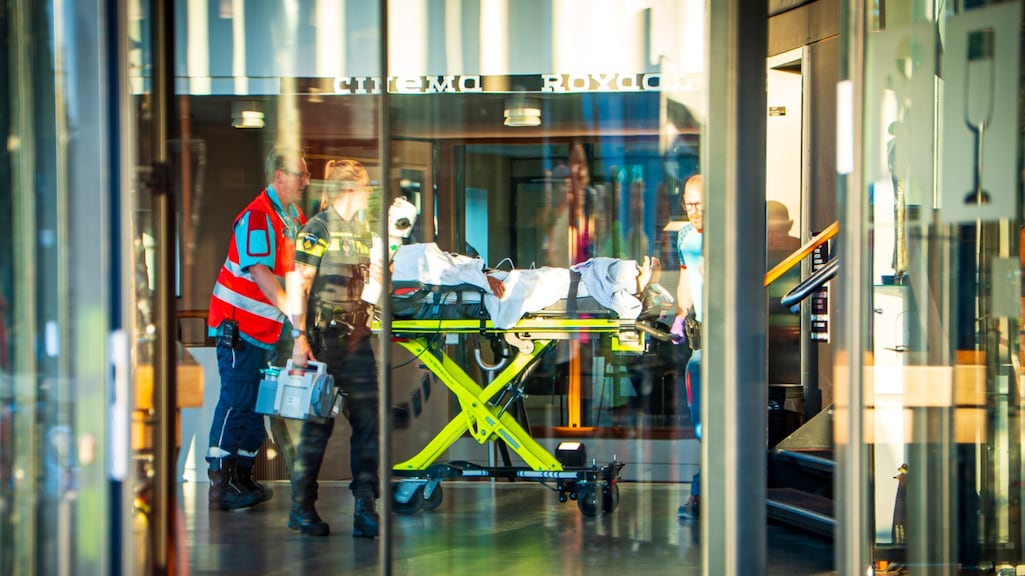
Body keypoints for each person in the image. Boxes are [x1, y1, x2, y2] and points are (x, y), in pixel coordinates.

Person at [205, 145, 309, 510]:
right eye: (300, 174)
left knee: (255, 406)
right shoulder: (258, 216)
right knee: (236, 400)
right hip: (239, 327)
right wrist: (297, 319)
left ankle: (243, 475)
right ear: (278, 176)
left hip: (265, 331)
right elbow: (262, 275)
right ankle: (220, 480)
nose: (305, 182)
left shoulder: (290, 216)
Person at [287, 158, 383, 538]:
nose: (368, 198)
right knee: (317, 428)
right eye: (364, 190)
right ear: (350, 190)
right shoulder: (318, 228)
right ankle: (301, 507)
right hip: (323, 342)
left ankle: (365, 506)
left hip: (357, 338)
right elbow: (301, 285)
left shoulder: (364, 231)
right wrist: (299, 336)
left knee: (367, 423)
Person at [674, 174, 703, 520]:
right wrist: (681, 314)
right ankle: (700, 489)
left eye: (701, 205)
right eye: (689, 205)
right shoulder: (684, 235)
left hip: (730, 334)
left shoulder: (729, 232)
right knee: (700, 425)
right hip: (701, 337)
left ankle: (703, 490)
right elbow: (685, 277)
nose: (695, 212)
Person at [766, 201, 802, 386]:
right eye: (767, 229)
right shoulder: (751, 255)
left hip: (796, 338)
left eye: (778, 229)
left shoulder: (801, 251)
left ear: (789, 226)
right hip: (762, 338)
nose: (772, 236)